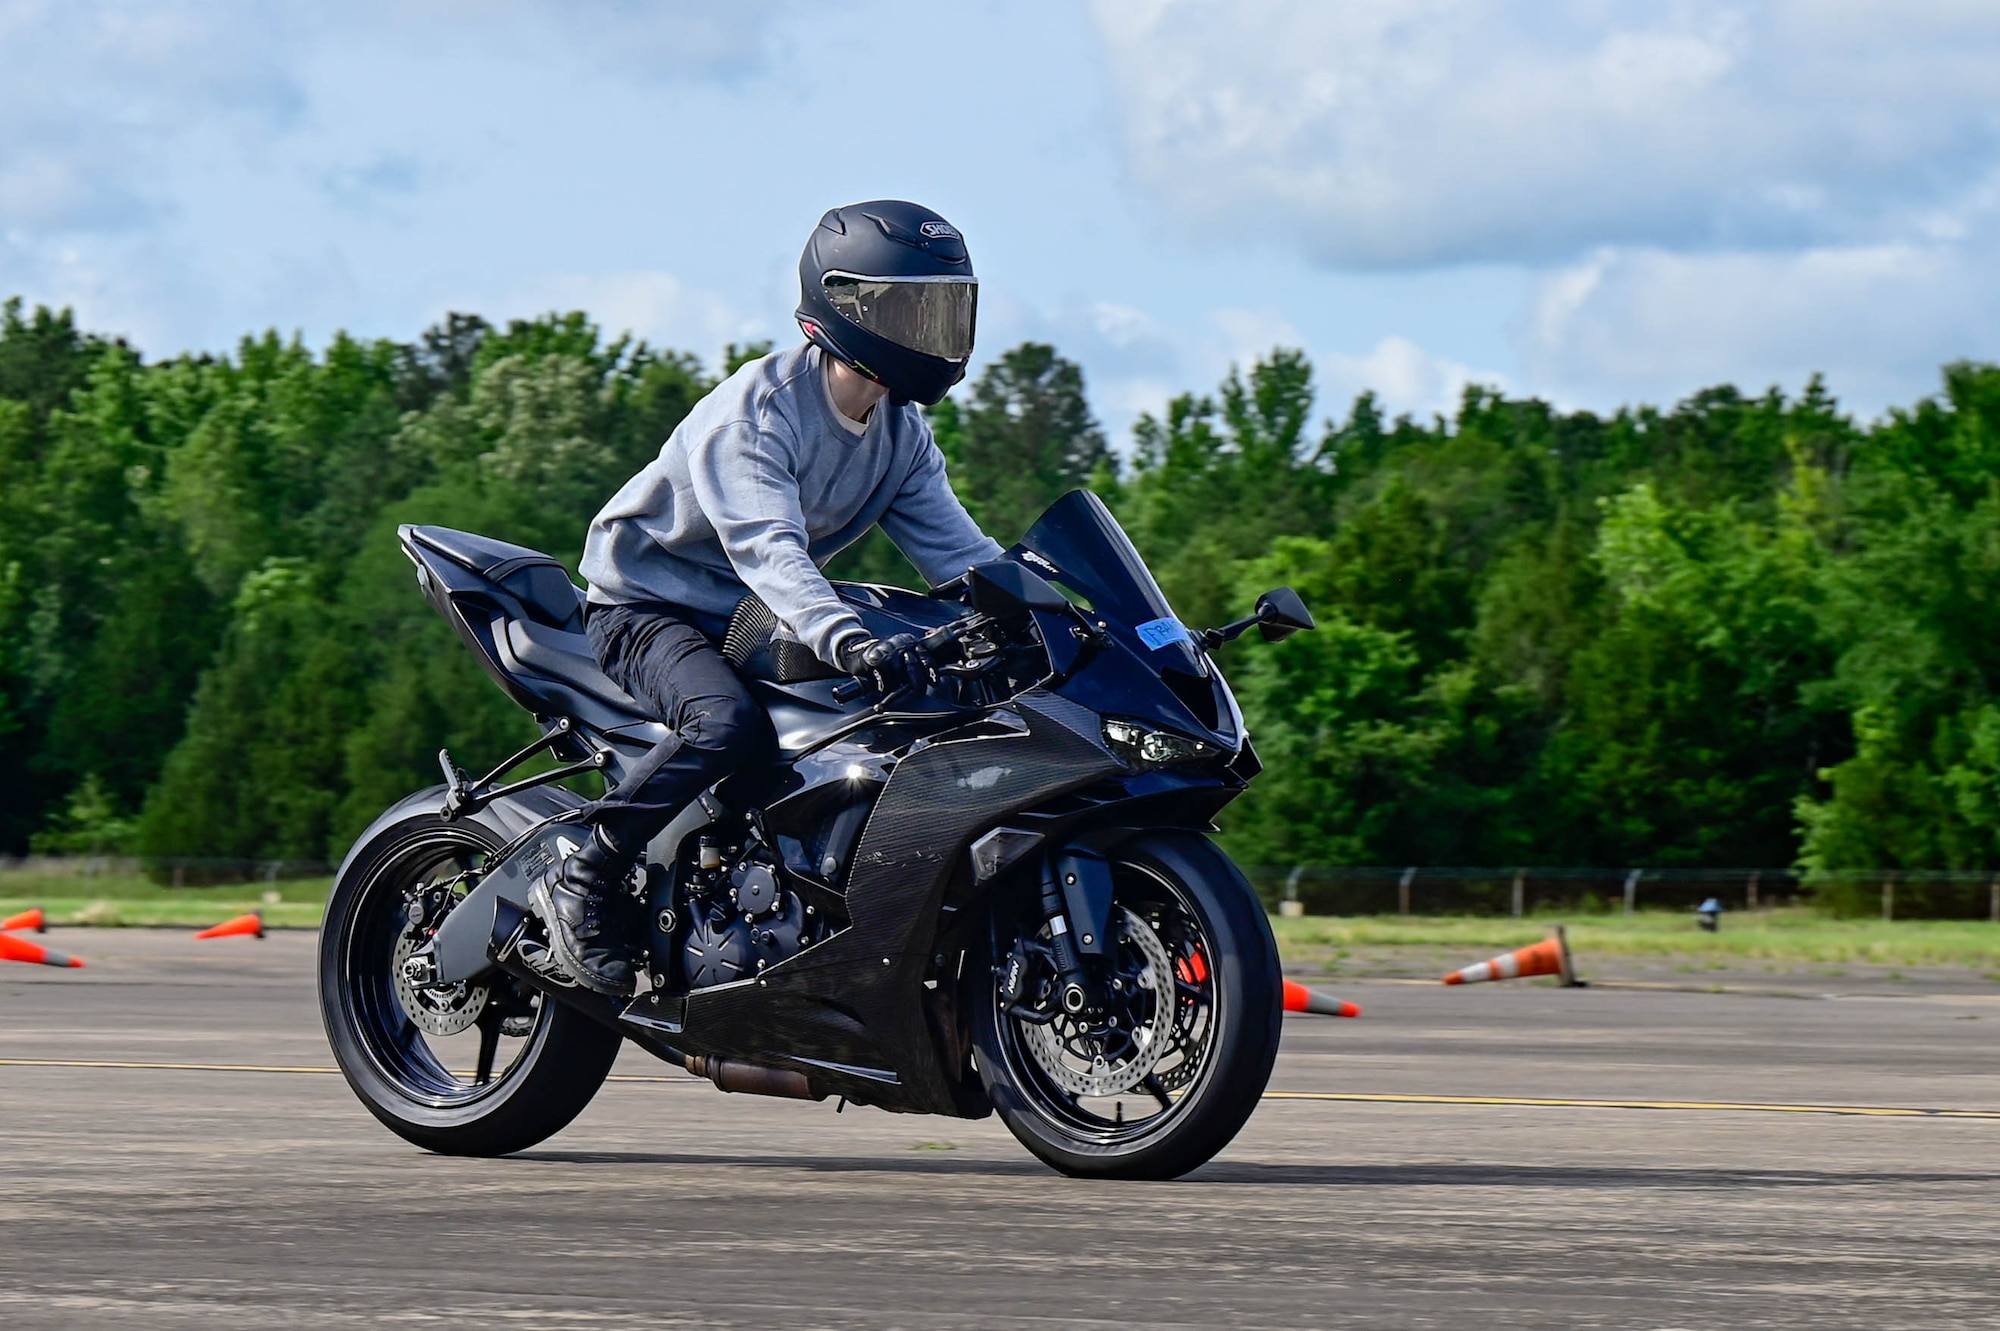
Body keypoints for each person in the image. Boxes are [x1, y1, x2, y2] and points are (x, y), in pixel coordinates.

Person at [531, 200, 1003, 995]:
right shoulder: (757, 413)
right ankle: (588, 873)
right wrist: (848, 636)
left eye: (945, 309)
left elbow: (964, 557)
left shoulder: (900, 434)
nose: (933, 328)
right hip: (646, 606)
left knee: (867, 728)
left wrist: (1072, 619)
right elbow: (769, 550)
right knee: (725, 723)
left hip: (748, 611)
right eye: (914, 309)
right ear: (848, 308)